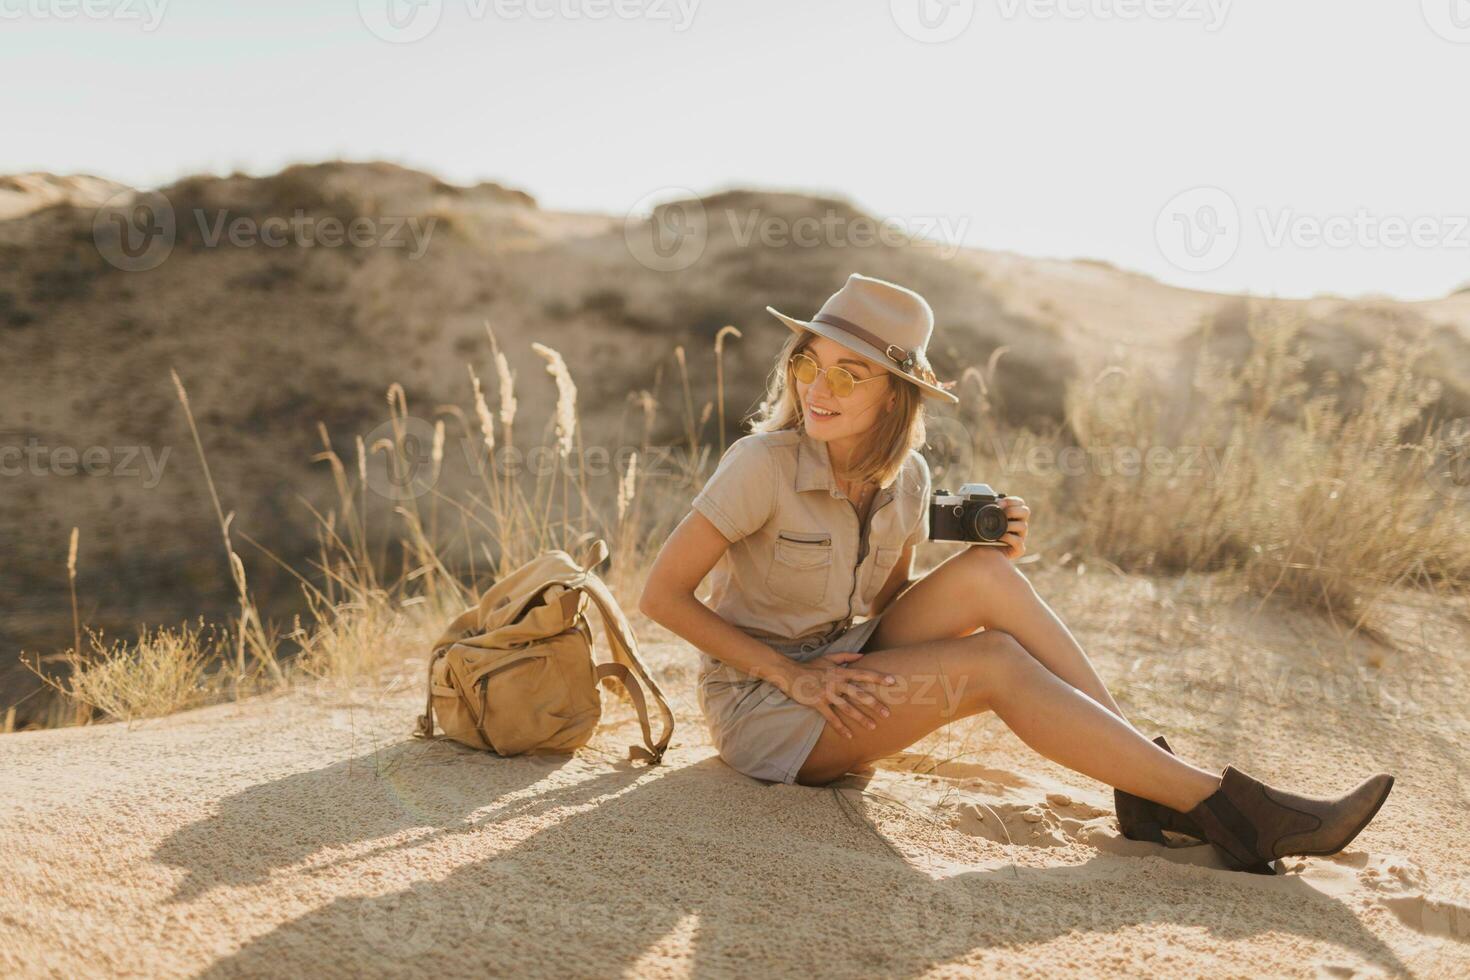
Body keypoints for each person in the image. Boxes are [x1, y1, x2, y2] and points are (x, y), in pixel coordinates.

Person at [638, 273, 1394, 874]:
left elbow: (889, 608)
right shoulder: (760, 465)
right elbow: (661, 597)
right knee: (995, 663)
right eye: (810, 364)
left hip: (850, 661)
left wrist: (984, 557)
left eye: (850, 373)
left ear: (896, 394)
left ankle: (1145, 779)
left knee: (988, 577)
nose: (818, 390)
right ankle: (1235, 812)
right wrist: (793, 677)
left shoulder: (908, 477)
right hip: (771, 710)